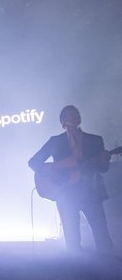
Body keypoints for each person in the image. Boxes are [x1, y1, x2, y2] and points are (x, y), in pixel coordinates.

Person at [28, 105, 114, 253]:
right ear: (63, 122)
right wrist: (52, 172)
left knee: (102, 237)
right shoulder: (55, 141)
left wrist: (104, 161)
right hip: (66, 194)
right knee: (72, 241)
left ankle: (109, 269)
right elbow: (33, 162)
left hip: (91, 192)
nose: (75, 117)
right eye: (71, 115)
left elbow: (103, 169)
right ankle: (78, 271)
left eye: (77, 114)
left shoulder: (95, 140)